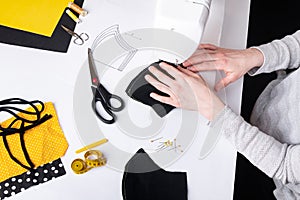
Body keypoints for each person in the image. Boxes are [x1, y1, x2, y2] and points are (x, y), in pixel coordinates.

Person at [145, 31, 300, 199]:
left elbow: (285, 166)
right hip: (272, 92)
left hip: (266, 170)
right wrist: (254, 56)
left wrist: (211, 107)